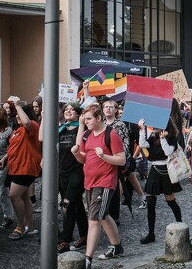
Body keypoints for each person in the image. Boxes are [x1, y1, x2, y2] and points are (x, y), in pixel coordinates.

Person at [72, 105, 125, 268]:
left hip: (105, 182)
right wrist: (76, 154)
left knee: (94, 219)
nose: (85, 121)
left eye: (88, 119)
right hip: (89, 182)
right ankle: (117, 247)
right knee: (103, 215)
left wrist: (104, 156)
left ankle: (88, 259)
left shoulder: (111, 134)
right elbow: (84, 159)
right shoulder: (87, 135)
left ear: (99, 118)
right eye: (85, 118)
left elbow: (121, 160)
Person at [44, 102, 88, 254]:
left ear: (78, 113)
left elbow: (79, 147)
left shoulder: (83, 128)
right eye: (66, 109)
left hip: (78, 171)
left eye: (72, 109)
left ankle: (65, 241)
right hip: (63, 172)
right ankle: (85, 235)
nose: (68, 111)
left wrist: (81, 124)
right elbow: (43, 139)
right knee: (76, 204)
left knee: (67, 205)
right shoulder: (60, 129)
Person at [137, 118, 183, 244]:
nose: (155, 127)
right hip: (154, 170)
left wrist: (163, 139)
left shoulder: (172, 138)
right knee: (151, 203)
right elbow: (142, 145)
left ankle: (180, 226)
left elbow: (168, 152)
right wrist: (142, 131)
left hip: (166, 171)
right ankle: (151, 233)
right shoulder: (153, 137)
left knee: (170, 201)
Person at [2, 97, 41, 240]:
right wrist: (4, 158)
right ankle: (30, 227)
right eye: (16, 114)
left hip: (26, 167)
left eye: (20, 113)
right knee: (24, 198)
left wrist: (18, 105)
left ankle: (20, 226)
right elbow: (12, 148)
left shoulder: (33, 126)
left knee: (14, 195)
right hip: (15, 167)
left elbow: (27, 122)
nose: (17, 116)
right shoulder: (16, 131)